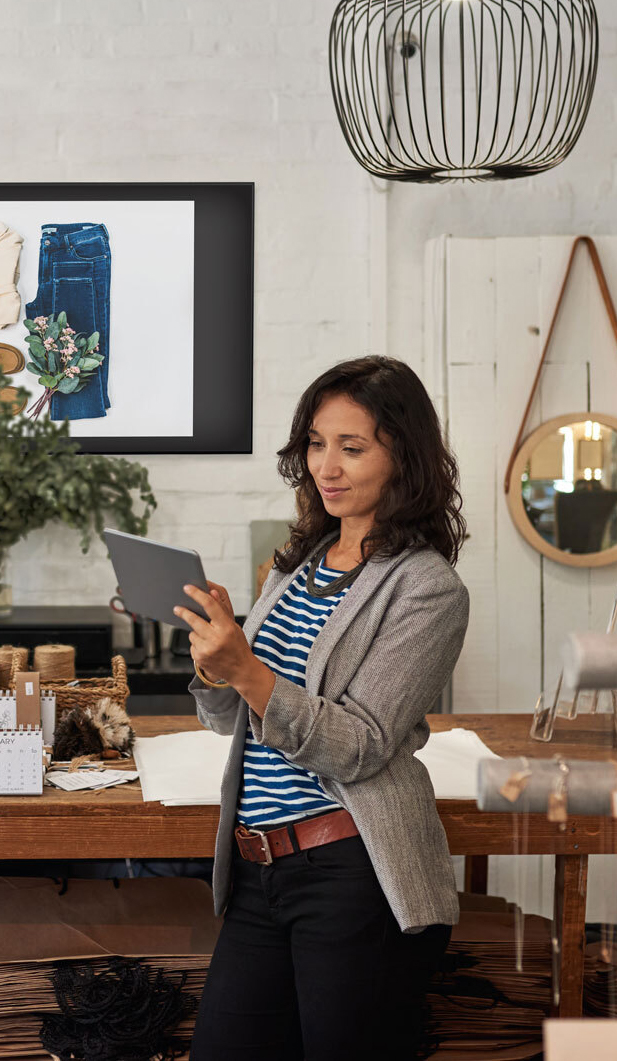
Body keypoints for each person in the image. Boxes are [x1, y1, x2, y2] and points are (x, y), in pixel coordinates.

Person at [180, 356, 469, 1061]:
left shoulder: (426, 589)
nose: (326, 466)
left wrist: (245, 669)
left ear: (402, 456)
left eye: (351, 446)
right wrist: (214, 659)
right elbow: (233, 720)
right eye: (315, 442)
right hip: (257, 868)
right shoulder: (297, 564)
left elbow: (360, 745)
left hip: (350, 870)